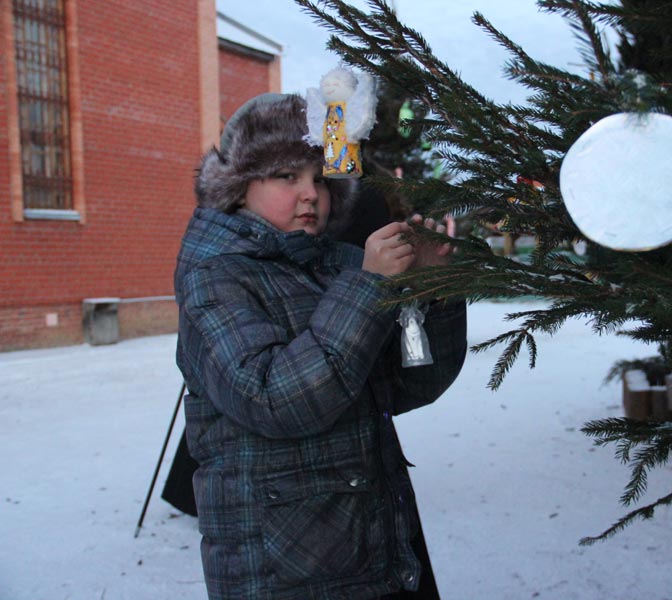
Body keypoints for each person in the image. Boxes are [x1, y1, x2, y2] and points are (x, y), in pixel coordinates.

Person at [174, 92, 467, 600]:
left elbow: (408, 386)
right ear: (240, 186)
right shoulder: (215, 276)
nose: (310, 194)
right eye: (287, 176)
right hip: (283, 568)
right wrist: (369, 288)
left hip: (373, 546)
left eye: (320, 179)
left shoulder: (337, 264)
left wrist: (432, 293)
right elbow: (275, 400)